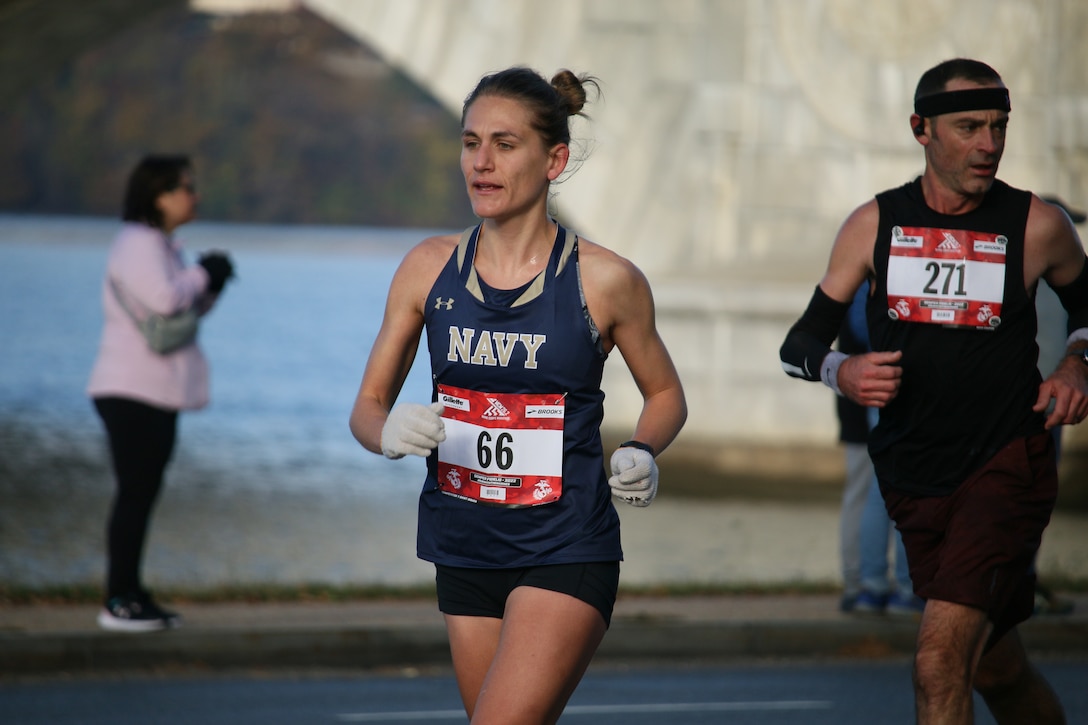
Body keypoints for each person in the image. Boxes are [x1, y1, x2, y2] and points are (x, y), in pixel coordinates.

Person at [349, 66, 686, 724]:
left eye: (505, 145)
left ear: (553, 159)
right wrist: (387, 432)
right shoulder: (427, 268)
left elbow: (665, 391)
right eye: (471, 143)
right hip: (462, 544)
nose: (481, 162)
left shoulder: (606, 279)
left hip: (565, 544)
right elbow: (367, 406)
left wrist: (644, 447)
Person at [779, 58, 1088, 724]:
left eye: (998, 126)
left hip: (1006, 464)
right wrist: (844, 371)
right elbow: (800, 344)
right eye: (969, 126)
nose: (988, 144)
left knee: (938, 665)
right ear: (920, 128)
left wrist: (1075, 363)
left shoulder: (1038, 225)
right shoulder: (874, 225)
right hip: (914, 476)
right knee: (999, 669)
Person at [87, 155, 235, 632]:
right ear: (159, 195)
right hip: (131, 391)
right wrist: (203, 273)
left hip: (153, 393)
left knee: (142, 494)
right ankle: (118, 600)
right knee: (135, 494)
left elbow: (181, 315)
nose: (195, 196)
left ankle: (131, 592)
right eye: (186, 188)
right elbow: (168, 298)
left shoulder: (161, 245)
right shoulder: (138, 241)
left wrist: (212, 283)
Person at [837, 282, 920, 617]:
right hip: (901, 380)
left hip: (879, 379)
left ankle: (872, 587)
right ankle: (906, 587)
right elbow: (862, 323)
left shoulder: (865, 251)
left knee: (878, 489)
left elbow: (859, 323)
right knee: (906, 485)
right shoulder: (890, 252)